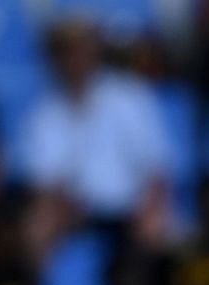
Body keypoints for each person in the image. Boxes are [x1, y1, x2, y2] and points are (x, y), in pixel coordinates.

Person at [20, 18, 175, 259]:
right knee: (39, 225)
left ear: (94, 51)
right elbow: (46, 184)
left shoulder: (130, 97)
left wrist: (148, 208)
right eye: (66, 51)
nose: (75, 59)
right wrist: (65, 208)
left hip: (130, 208)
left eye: (81, 48)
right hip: (77, 212)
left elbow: (156, 170)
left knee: (155, 225)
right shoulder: (45, 112)